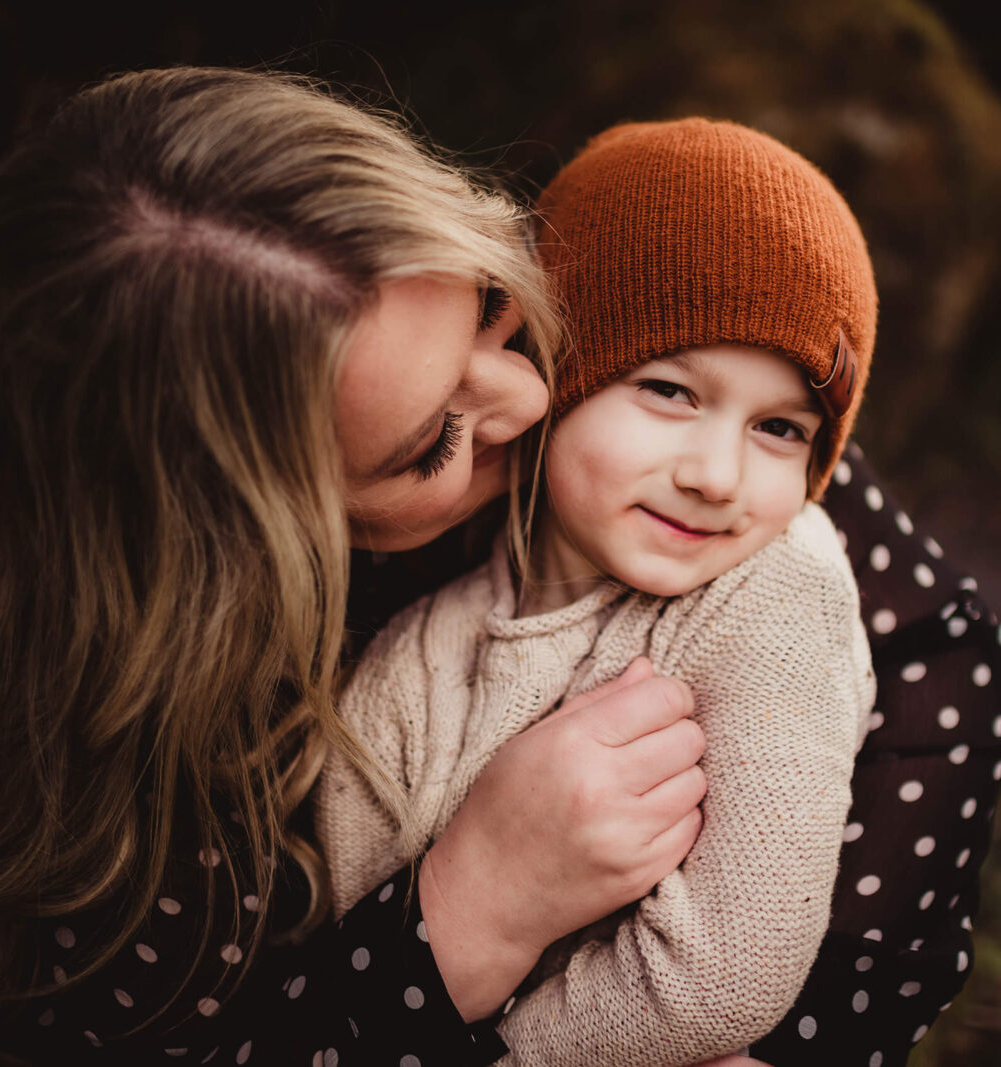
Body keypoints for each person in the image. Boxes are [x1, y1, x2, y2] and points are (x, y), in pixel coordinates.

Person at [0, 65, 1001, 1067]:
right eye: (432, 440)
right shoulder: (92, 805)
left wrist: (799, 1035)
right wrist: (472, 907)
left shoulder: (620, 366)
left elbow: (937, 646)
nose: (534, 399)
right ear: (255, 543)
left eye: (496, 314)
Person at [316, 117, 879, 1066]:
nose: (717, 474)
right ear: (556, 377)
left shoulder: (775, 595)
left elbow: (731, 968)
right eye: (669, 389)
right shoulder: (424, 645)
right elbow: (340, 908)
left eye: (781, 427)